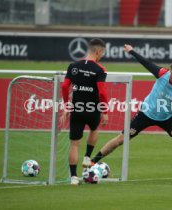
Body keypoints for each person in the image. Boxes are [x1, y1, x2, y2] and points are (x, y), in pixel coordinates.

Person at [91, 44, 172, 181]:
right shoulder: (163, 74)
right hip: (146, 113)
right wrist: (132, 51)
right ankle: (93, 161)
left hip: (167, 117)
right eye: (171, 72)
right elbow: (146, 63)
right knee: (121, 139)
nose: (171, 76)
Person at [61, 38, 108, 185]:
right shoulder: (100, 70)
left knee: (74, 144)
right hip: (92, 108)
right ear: (98, 51)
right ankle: (87, 157)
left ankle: (74, 177)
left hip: (77, 108)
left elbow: (64, 86)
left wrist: (67, 106)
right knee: (94, 129)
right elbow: (102, 92)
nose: (101, 56)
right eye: (102, 53)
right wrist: (104, 110)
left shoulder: (73, 66)